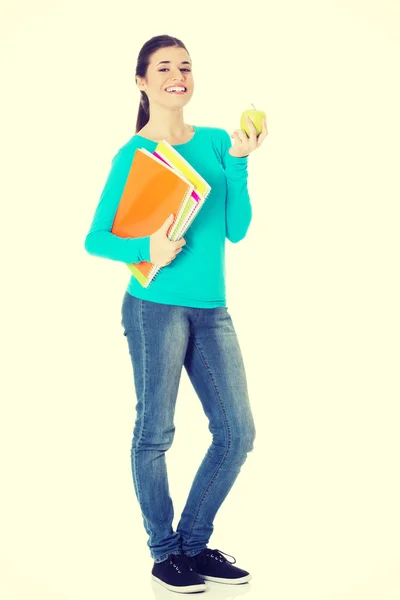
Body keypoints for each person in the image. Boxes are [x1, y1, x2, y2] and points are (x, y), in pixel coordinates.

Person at [84, 34, 268, 594]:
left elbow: (236, 230)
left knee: (237, 433)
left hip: (213, 310)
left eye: (186, 66)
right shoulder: (134, 155)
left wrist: (238, 163)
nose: (178, 75)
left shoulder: (215, 142)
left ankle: (193, 542)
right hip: (153, 309)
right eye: (164, 67)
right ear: (142, 82)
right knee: (155, 433)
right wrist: (147, 250)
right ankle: (165, 555)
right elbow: (96, 239)